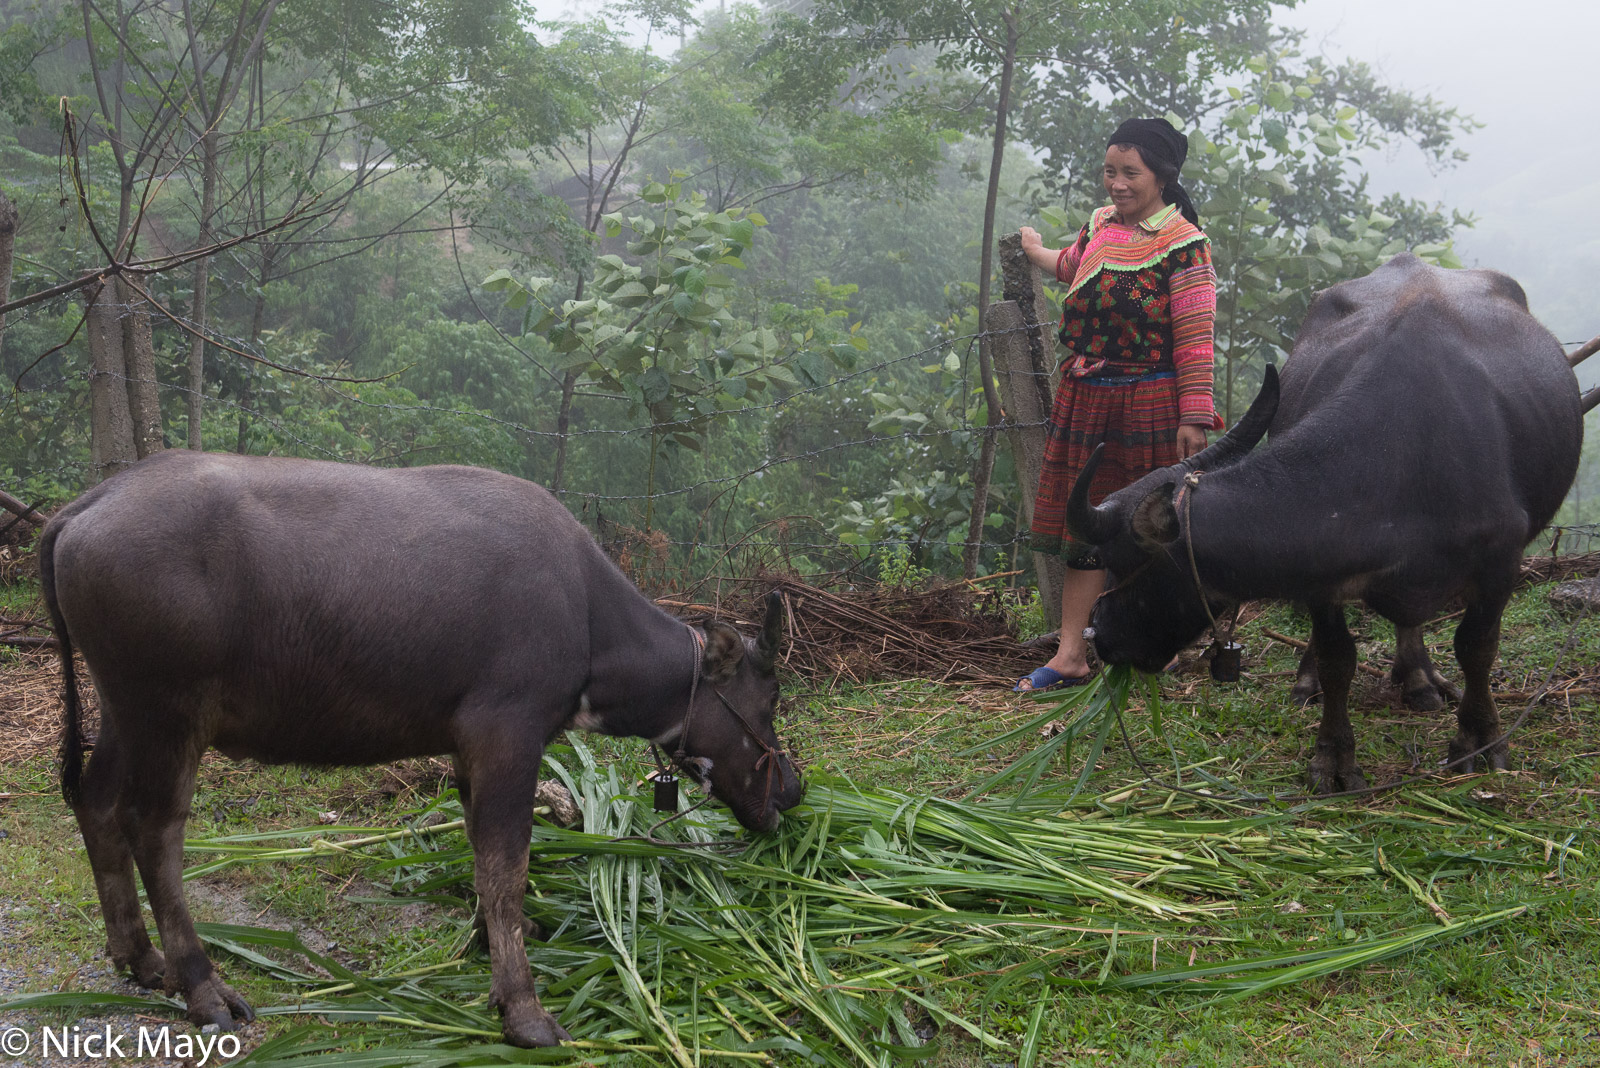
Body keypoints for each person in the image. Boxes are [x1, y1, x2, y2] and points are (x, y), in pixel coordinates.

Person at [1014, 117, 1222, 692]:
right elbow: (1071, 266)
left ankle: (1157, 649)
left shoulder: (1183, 246)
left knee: (1147, 530)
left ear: (1161, 176)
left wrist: (1194, 415)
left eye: (1131, 173)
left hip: (1151, 399)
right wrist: (1034, 249)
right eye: (1111, 171)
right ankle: (1071, 654)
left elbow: (1195, 335)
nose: (1118, 183)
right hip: (1087, 398)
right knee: (1084, 524)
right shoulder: (1101, 224)